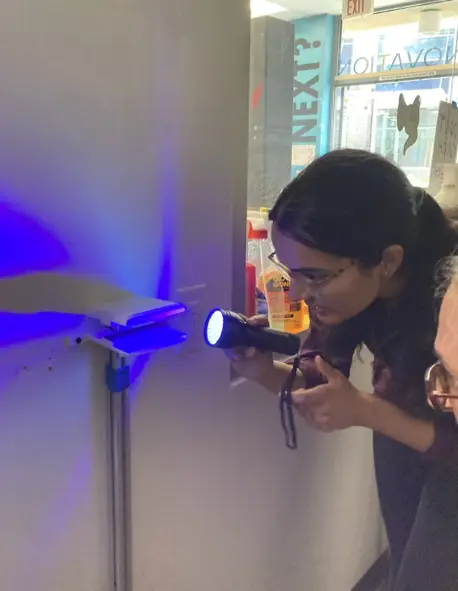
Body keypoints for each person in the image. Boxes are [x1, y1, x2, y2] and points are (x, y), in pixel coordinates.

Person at [227, 150, 458, 589]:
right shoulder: (346, 292)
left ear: (388, 260)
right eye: (291, 271)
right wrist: (258, 368)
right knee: (406, 558)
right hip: (403, 427)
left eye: (314, 276)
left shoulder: (450, 305)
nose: (298, 291)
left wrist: (369, 411)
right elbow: (323, 391)